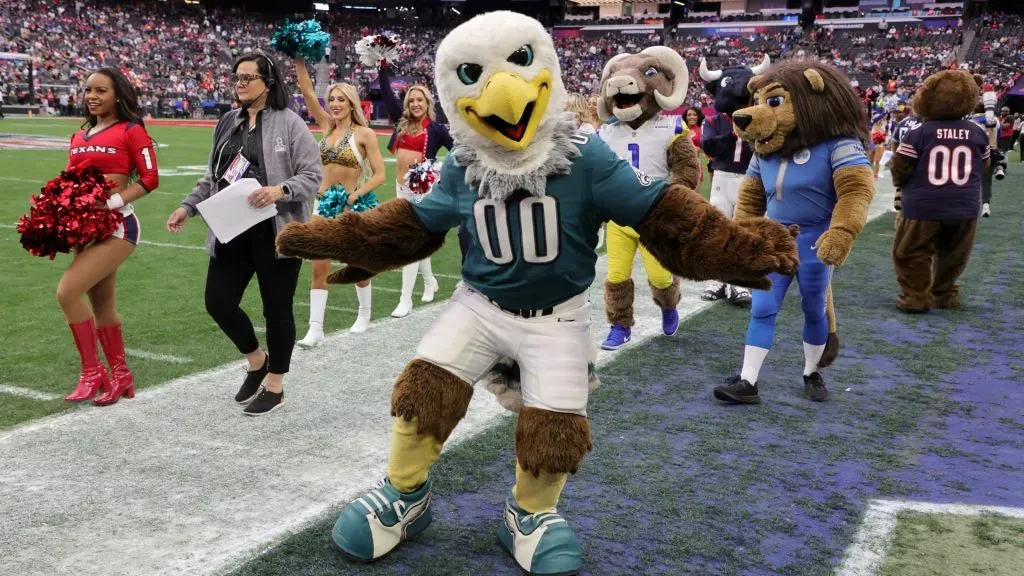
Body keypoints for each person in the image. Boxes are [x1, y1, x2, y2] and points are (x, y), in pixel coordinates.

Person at [165, 53, 322, 416]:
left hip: (277, 233)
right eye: (237, 77)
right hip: (231, 230)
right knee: (218, 302)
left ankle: (276, 385)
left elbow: (312, 176)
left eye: (248, 77)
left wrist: (279, 190)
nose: (239, 83)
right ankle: (256, 360)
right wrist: (187, 207)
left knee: (277, 310)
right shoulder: (227, 123)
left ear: (268, 82)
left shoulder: (291, 123)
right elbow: (212, 176)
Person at [59, 67, 159, 406]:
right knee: (102, 305)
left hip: (118, 227)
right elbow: (68, 184)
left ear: (118, 95)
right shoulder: (78, 136)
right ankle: (121, 375)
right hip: (85, 231)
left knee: (67, 292)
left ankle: (92, 372)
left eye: (101, 90)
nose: (92, 96)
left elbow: (151, 177)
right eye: (88, 90)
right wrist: (68, 223)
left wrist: (114, 202)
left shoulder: (131, 131)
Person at [293, 58, 386, 345]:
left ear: (351, 103)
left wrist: (356, 194)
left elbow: (380, 174)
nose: (334, 104)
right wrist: (298, 57)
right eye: (332, 99)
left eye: (340, 100)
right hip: (322, 205)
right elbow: (308, 92)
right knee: (319, 265)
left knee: (357, 265)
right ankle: (316, 328)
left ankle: (364, 312)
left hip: (351, 207)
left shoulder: (365, 134)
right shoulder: (325, 127)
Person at [378, 60, 453, 318]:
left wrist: (439, 170)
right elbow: (387, 96)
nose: (415, 105)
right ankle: (430, 281)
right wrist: (382, 66)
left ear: (428, 103)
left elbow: (458, 153)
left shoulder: (436, 129)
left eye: (420, 100)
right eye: (412, 101)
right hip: (401, 188)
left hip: (422, 191)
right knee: (418, 242)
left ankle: (405, 300)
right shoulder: (403, 122)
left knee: (409, 242)